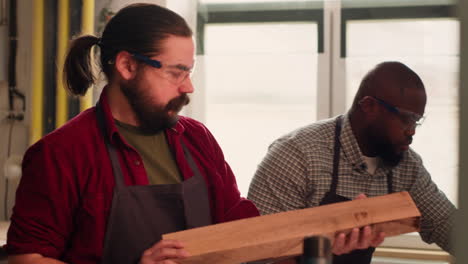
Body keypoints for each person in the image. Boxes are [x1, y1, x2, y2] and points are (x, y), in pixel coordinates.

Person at [6, 3, 383, 264]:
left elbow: (242, 234)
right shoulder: (61, 154)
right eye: (176, 72)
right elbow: (28, 257)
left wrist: (321, 237)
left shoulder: (196, 140)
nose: (189, 87)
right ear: (126, 65)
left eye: (190, 71)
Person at [248, 61, 457, 264]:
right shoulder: (297, 155)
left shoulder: (406, 166)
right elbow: (259, 254)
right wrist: (319, 249)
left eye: (416, 122)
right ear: (369, 106)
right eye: (405, 119)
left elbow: (447, 226)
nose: (411, 131)